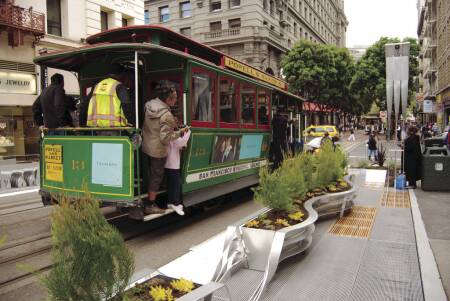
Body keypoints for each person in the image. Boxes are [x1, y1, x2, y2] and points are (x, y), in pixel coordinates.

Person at [142, 86, 188, 214]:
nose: (176, 101)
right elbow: (165, 138)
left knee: (150, 174)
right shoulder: (167, 114)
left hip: (146, 144)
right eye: (175, 99)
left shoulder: (149, 105)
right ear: (168, 99)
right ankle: (150, 205)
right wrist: (180, 132)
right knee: (156, 176)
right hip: (157, 149)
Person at [165, 126, 191, 216]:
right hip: (172, 164)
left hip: (170, 164)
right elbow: (182, 142)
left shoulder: (170, 135)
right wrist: (188, 132)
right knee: (176, 184)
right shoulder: (172, 136)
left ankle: (170, 202)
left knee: (172, 184)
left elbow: (180, 145)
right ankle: (175, 204)